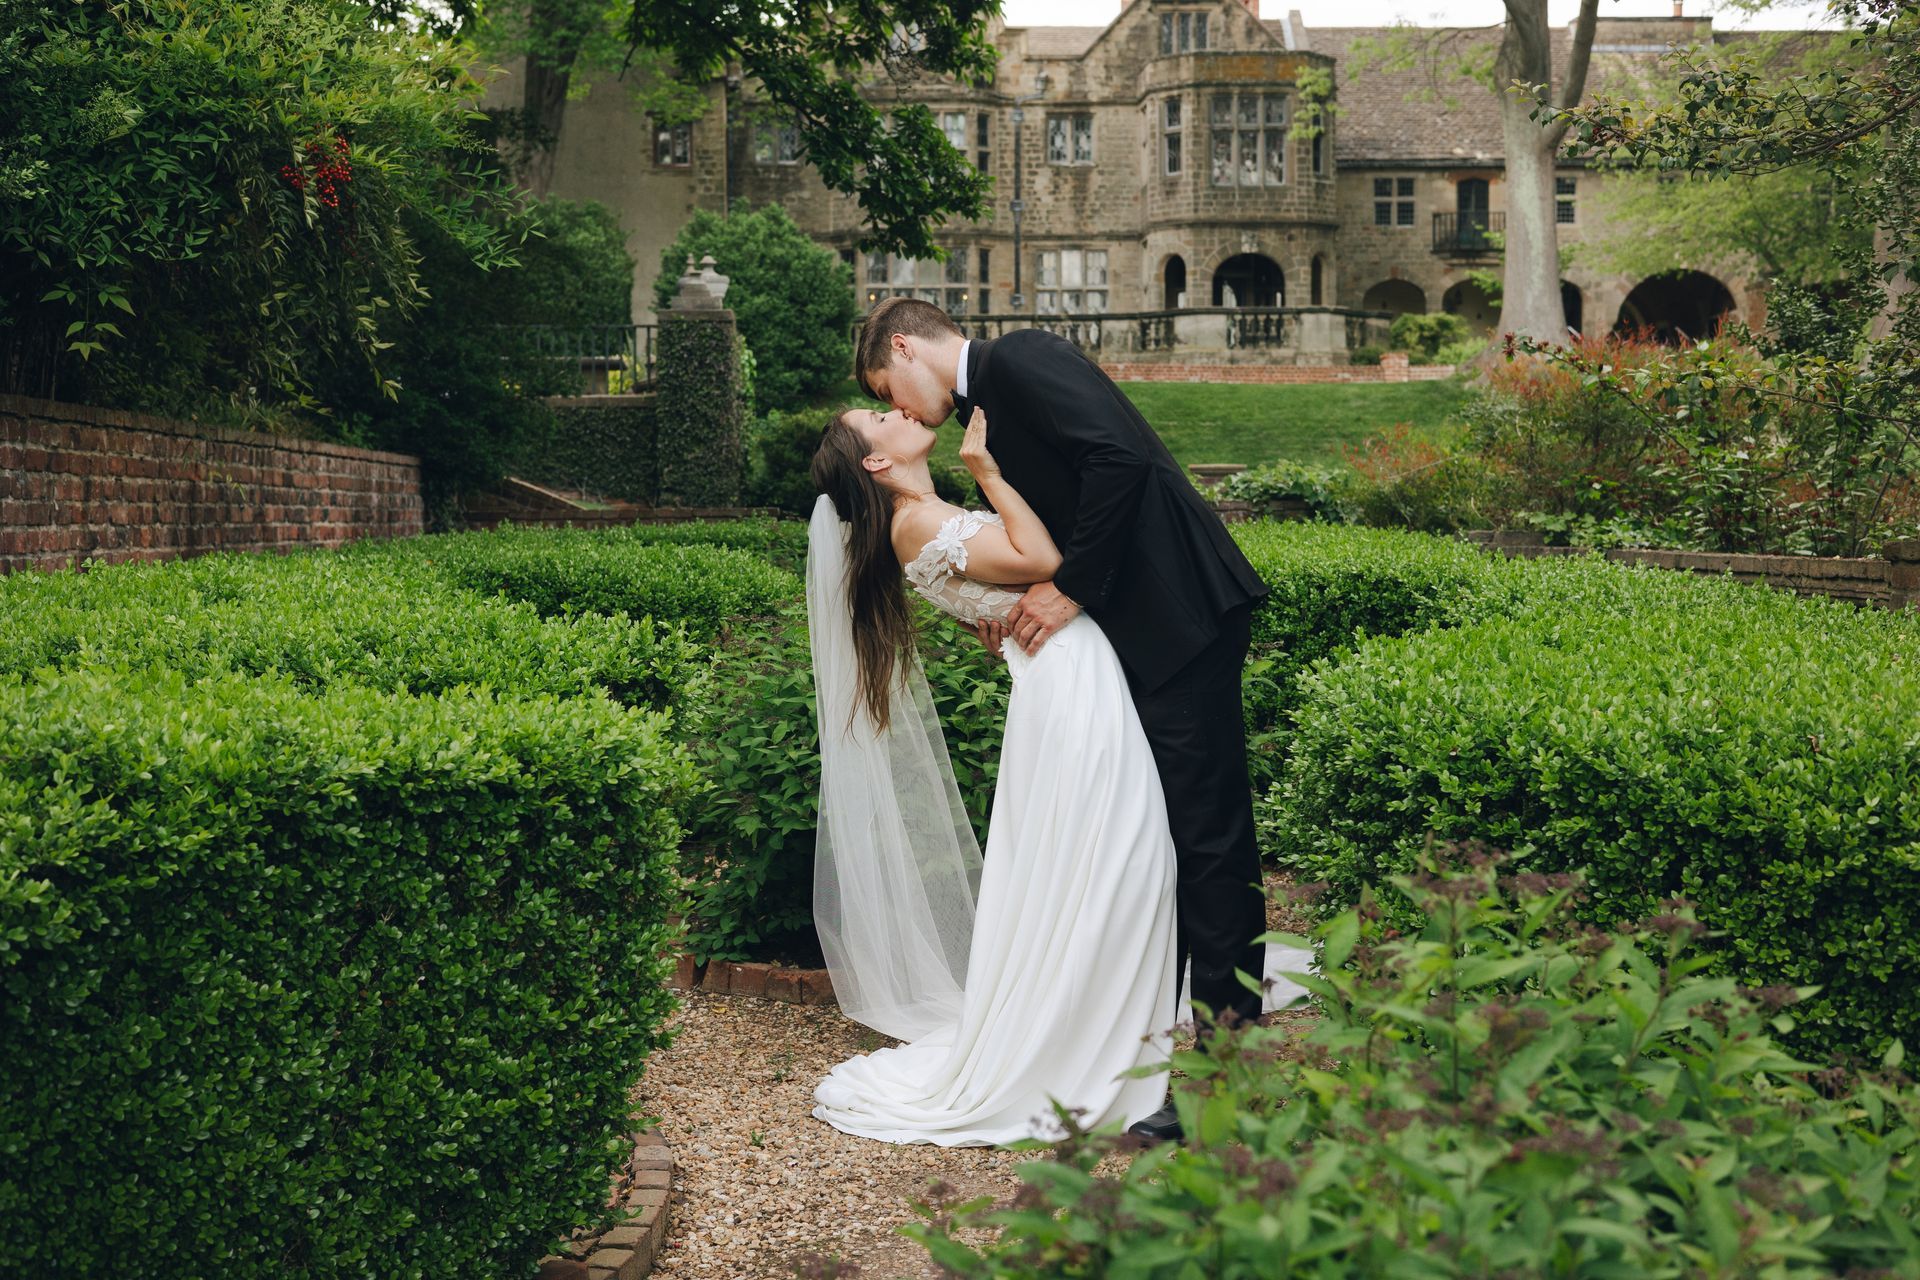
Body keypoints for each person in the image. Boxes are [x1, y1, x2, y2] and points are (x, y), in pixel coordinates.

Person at [852, 297, 1273, 1144]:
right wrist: (999, 604)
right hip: (1133, 640)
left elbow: (1121, 460)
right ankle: (1152, 1048)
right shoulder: (983, 413)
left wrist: (1071, 586)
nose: (897, 409)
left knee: (1210, 838)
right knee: (1158, 845)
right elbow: (1044, 522)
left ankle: (1223, 1082)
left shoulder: (1018, 358)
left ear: (904, 345)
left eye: (886, 388)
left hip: (1180, 616)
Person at [805, 403, 1182, 1145]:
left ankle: (1114, 1040)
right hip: (1069, 683)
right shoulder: (913, 522)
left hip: (1069, 674)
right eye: (878, 414)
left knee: (1115, 863)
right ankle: (1100, 1052)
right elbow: (1043, 563)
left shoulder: (921, 513)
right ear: (876, 463)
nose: (896, 410)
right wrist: (987, 470)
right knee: (1123, 862)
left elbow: (1005, 582)